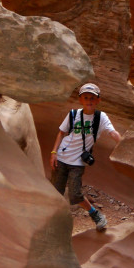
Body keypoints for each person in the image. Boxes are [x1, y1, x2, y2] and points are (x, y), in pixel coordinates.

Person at [50, 82, 121, 231]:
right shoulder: (73, 114)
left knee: (75, 194)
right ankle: (54, 221)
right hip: (61, 157)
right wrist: (54, 153)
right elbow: (61, 133)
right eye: (86, 97)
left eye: (92, 98)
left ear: (98, 100)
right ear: (80, 100)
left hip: (77, 162)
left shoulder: (100, 117)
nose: (89, 101)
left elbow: (113, 133)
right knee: (56, 192)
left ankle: (95, 214)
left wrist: (123, 145)